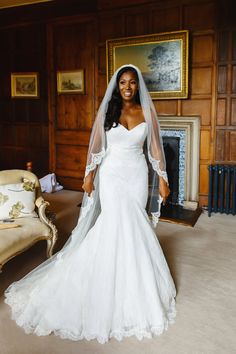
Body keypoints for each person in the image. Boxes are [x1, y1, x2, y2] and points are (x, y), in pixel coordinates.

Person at [4, 64, 177, 344]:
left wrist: (163, 179)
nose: (128, 87)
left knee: (134, 222)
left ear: (138, 86)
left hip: (136, 175)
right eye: (123, 82)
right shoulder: (109, 111)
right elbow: (97, 147)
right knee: (112, 221)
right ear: (117, 86)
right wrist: (89, 177)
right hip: (110, 175)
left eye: (132, 82)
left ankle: (134, 282)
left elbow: (155, 148)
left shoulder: (147, 112)